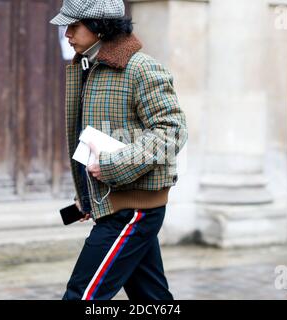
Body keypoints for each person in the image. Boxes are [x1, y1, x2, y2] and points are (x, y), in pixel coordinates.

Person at [50, 0, 188, 300]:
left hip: (134, 209)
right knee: (151, 298)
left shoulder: (141, 68)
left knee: (82, 296)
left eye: (74, 26)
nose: (67, 34)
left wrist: (113, 166)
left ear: (100, 28)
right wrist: (88, 195)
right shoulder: (88, 66)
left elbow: (172, 132)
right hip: (115, 202)